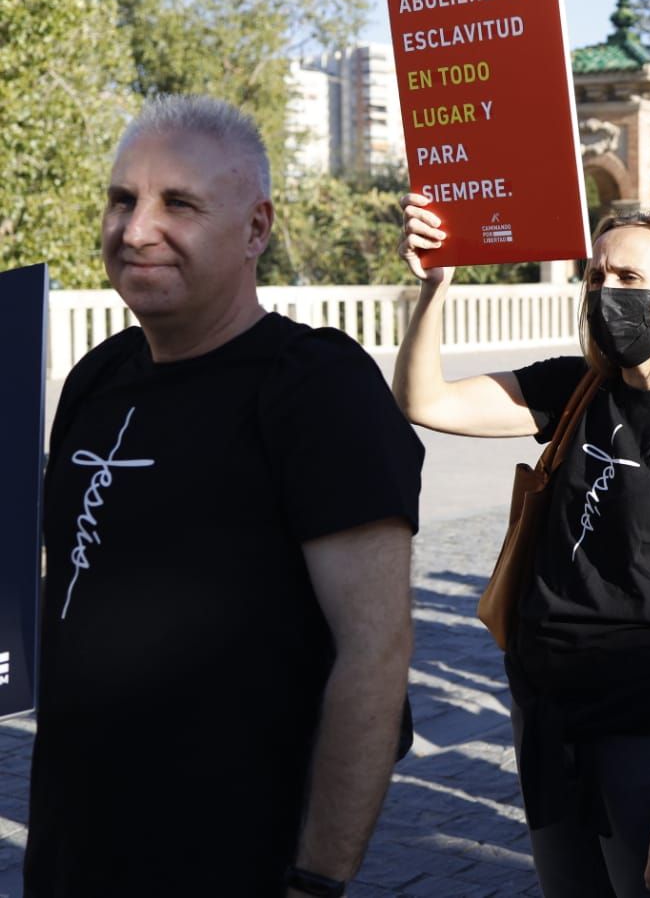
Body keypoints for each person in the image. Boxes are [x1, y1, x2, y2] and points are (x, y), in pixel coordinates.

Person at [27, 96, 423, 897]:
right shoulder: (96, 378)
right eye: (120, 199)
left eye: (179, 203)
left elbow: (374, 655)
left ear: (254, 229)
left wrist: (316, 879)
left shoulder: (316, 388)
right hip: (74, 851)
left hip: (234, 857)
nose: (136, 229)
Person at [394, 207, 650, 897]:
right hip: (546, 719)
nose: (606, 291)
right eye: (597, 275)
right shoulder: (572, 388)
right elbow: (423, 400)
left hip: (649, 735)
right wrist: (435, 288)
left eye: (629, 276)